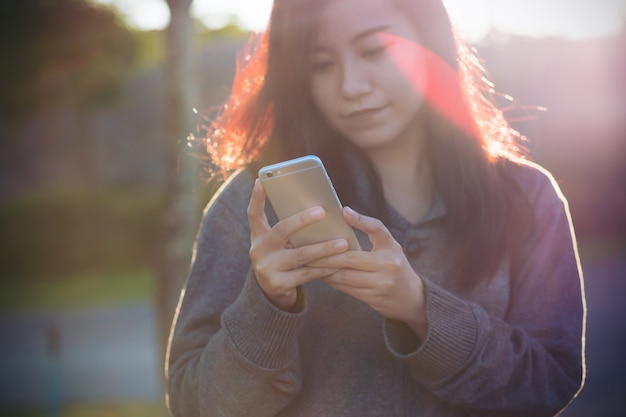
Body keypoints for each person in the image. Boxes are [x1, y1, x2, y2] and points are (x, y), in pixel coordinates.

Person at [165, 0, 586, 415]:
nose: (351, 86)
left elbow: (550, 384)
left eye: (374, 50)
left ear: (430, 40)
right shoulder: (255, 202)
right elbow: (194, 404)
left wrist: (420, 308)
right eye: (321, 64)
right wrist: (267, 306)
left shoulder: (527, 196)